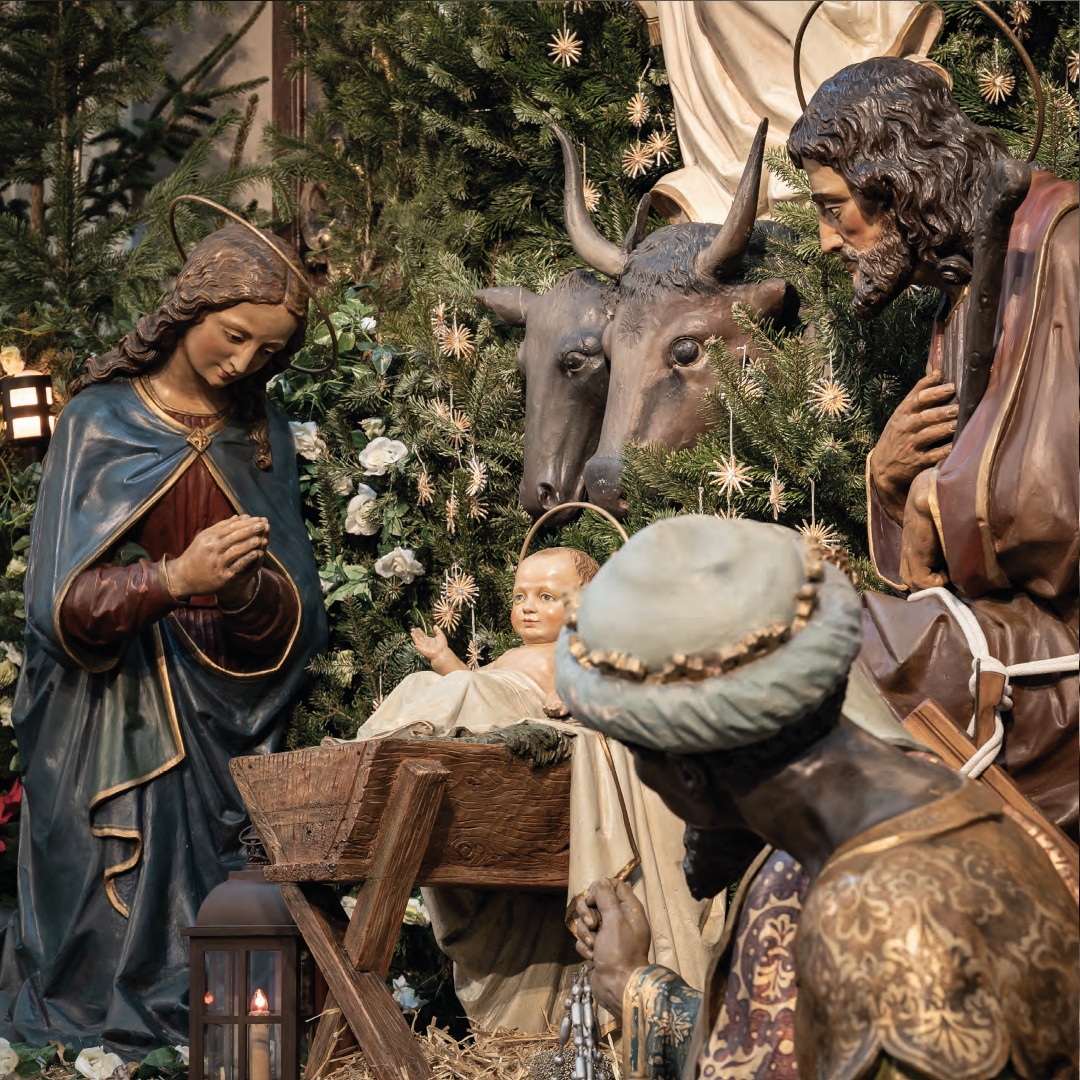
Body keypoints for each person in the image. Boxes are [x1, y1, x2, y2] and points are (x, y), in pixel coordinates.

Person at [558, 515, 1078, 1080]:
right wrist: (633, 983)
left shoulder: (881, 923)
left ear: (686, 778)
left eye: (641, 759)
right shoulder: (915, 817)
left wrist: (630, 983)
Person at [0, 226, 328, 1050]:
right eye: (235, 333)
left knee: (216, 899)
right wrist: (173, 581)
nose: (247, 361)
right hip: (103, 709)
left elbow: (297, 615)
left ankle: (215, 1034)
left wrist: (251, 592)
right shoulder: (98, 420)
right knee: (102, 910)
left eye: (270, 349)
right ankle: (98, 1040)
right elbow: (57, 604)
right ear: (190, 307)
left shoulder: (260, 435)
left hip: (224, 712)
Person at [786, 57, 1079, 836]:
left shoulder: (1061, 250)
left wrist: (934, 505)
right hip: (998, 633)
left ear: (894, 183)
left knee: (825, 659)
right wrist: (891, 482)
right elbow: (938, 521)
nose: (826, 242)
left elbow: (1057, 507)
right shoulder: (966, 286)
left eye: (832, 209)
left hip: (1058, 656)